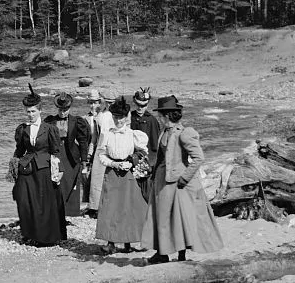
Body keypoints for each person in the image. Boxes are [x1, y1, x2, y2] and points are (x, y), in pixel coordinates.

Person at [141, 95, 225, 264]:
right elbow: (162, 157)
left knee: (178, 219)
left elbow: (199, 157)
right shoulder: (165, 131)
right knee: (162, 218)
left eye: (160, 115)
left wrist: (184, 178)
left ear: (167, 115)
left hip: (178, 184)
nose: (158, 117)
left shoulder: (184, 134)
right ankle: (162, 253)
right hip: (162, 182)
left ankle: (180, 256)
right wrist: (152, 170)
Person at [95, 96, 149, 254]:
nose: (118, 120)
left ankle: (128, 243)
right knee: (110, 207)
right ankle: (110, 242)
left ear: (127, 117)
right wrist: (114, 164)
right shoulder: (107, 134)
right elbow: (101, 156)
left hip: (128, 174)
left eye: (121, 117)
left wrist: (132, 162)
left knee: (129, 207)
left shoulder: (133, 134)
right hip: (112, 172)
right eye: (115, 117)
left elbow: (143, 153)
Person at [12, 84, 65, 245]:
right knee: (24, 199)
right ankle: (29, 232)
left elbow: (56, 151)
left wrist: (59, 171)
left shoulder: (49, 128)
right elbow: (19, 150)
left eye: (33, 111)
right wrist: (14, 165)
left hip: (44, 169)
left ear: (40, 111)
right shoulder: (22, 129)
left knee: (44, 203)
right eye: (28, 111)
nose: (30, 115)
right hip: (27, 169)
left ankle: (46, 237)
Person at [44, 93, 91, 217]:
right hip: (55, 154)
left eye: (65, 110)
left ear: (69, 109)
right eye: (61, 110)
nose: (63, 112)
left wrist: (84, 161)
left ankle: (70, 212)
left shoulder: (77, 121)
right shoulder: (50, 121)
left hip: (70, 155)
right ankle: (54, 210)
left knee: (70, 182)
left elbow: (83, 142)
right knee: (55, 181)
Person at [85, 89, 118, 217]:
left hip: (114, 147)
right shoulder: (100, 116)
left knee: (112, 177)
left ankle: (112, 206)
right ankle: (94, 207)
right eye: (108, 102)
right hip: (100, 147)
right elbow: (95, 136)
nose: (110, 105)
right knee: (97, 178)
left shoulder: (119, 115)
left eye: (112, 102)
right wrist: (90, 152)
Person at [129, 87, 162, 202]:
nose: (140, 108)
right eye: (138, 105)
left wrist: (151, 163)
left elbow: (155, 144)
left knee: (145, 187)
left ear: (147, 105)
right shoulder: (129, 117)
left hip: (145, 160)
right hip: (130, 158)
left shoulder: (152, 120)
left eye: (143, 106)